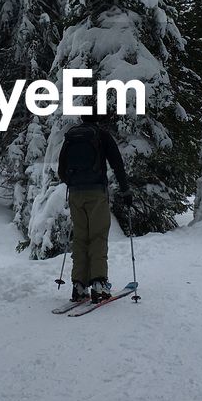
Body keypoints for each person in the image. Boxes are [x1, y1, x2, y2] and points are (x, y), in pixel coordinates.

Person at [57, 111, 132, 304]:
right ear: (98, 118)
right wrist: (125, 191)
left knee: (81, 237)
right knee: (97, 236)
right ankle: (99, 283)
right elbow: (117, 164)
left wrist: (74, 183)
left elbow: (61, 169)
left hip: (75, 194)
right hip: (96, 192)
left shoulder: (71, 136)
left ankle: (79, 285)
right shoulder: (102, 135)